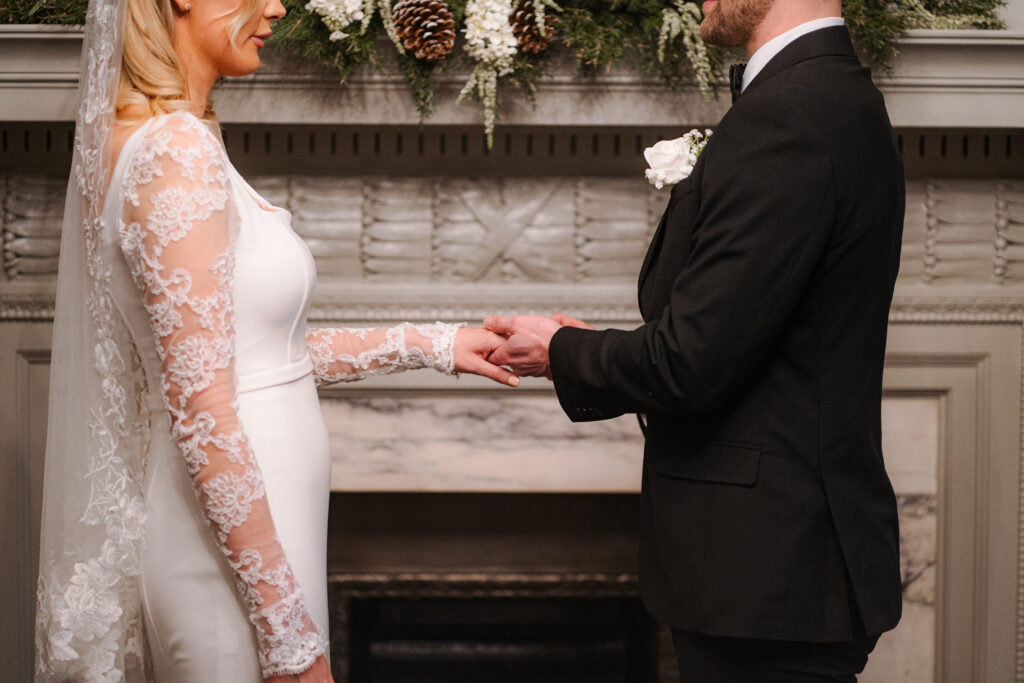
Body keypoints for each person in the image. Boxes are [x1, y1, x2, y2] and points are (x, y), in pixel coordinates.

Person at [33, 0, 518, 679]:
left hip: (252, 549)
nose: (277, 7)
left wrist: (436, 343)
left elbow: (257, 360)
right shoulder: (173, 150)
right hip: (226, 567)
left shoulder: (170, 138)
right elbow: (204, 412)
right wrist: (289, 638)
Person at [486, 0, 905, 679]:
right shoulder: (833, 97)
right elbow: (738, 335)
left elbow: (689, 361)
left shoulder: (791, 115)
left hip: (766, 573)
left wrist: (558, 352)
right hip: (779, 570)